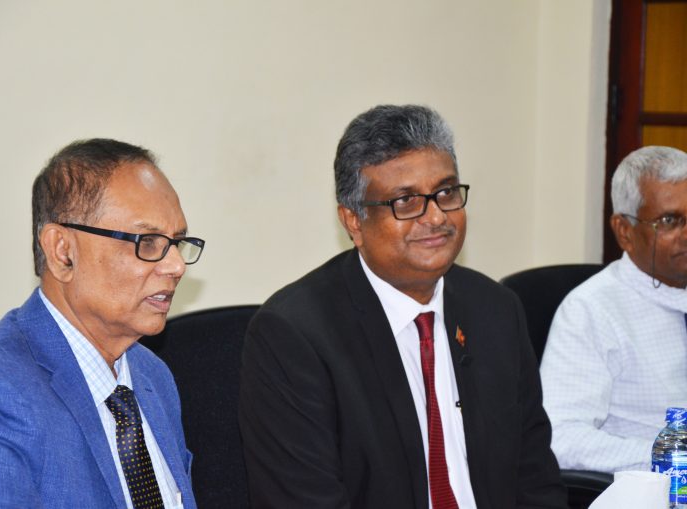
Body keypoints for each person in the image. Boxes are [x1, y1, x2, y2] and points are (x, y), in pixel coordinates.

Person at [239, 104, 567, 509]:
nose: (436, 217)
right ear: (354, 221)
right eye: (406, 201)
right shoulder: (295, 335)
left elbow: (536, 480)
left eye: (446, 193)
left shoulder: (496, 310)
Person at [0, 139, 204, 508]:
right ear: (62, 252)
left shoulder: (152, 376)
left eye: (177, 242)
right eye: (147, 242)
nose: (176, 266)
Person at [541, 145, 687, 474]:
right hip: (655, 486)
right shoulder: (590, 311)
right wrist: (672, 455)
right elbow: (561, 437)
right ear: (624, 231)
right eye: (670, 221)